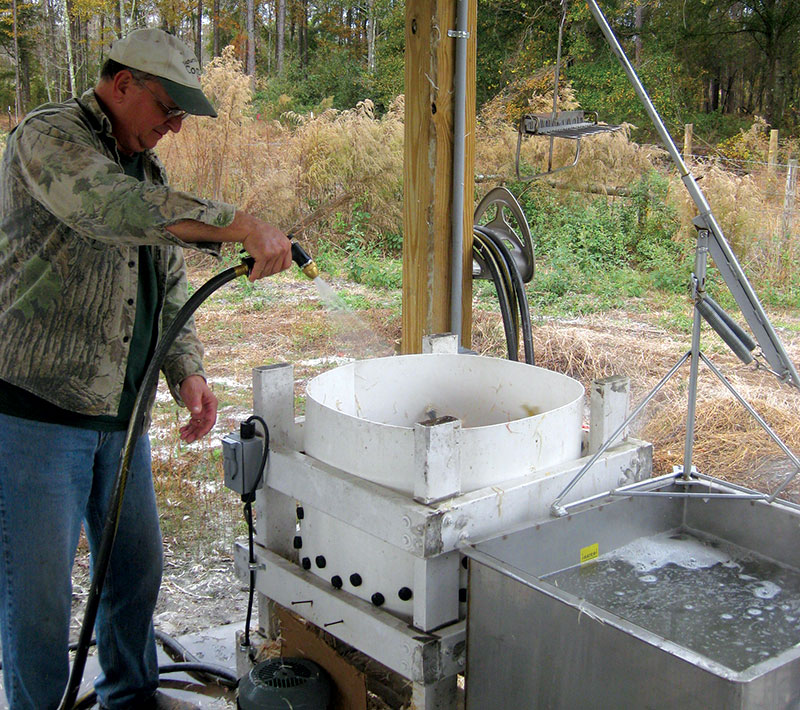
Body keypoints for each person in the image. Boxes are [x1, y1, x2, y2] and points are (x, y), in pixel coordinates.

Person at [0, 28, 292, 710]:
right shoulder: (50, 139)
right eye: (167, 106)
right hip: (36, 409)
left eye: (182, 114)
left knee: (135, 572)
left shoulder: (146, 171)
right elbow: (109, 211)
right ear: (123, 83)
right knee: (38, 597)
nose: (174, 125)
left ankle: (129, 697)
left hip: (119, 413)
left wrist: (185, 369)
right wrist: (235, 222)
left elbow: (161, 276)